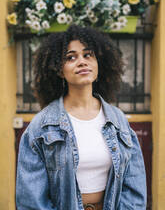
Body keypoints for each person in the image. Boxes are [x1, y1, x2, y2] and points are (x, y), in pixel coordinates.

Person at [16, 25, 147, 210]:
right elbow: (31, 200)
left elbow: (134, 187)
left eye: (88, 55)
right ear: (60, 70)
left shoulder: (118, 121)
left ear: (98, 63)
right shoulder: (41, 127)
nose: (82, 62)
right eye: (71, 57)